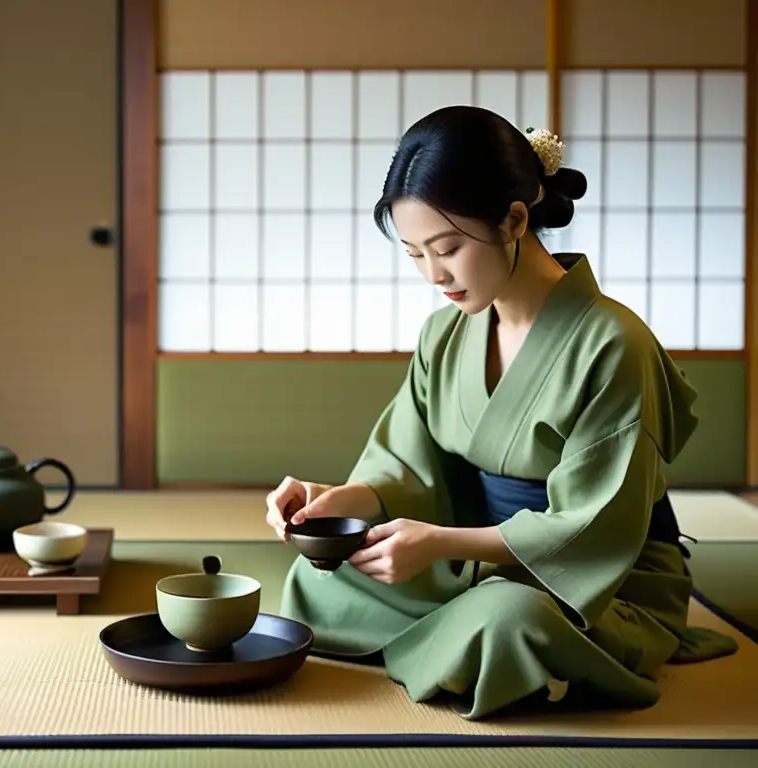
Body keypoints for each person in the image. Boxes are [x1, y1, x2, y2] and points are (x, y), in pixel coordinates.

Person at [264, 105, 738, 720]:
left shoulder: (614, 344)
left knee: (506, 619)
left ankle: (484, 639)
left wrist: (437, 545)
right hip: (473, 555)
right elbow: (406, 468)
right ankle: (460, 643)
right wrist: (335, 500)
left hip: (599, 580)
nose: (435, 275)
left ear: (515, 219)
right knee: (318, 578)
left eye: (449, 247)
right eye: (414, 255)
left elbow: (594, 526)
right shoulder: (445, 333)